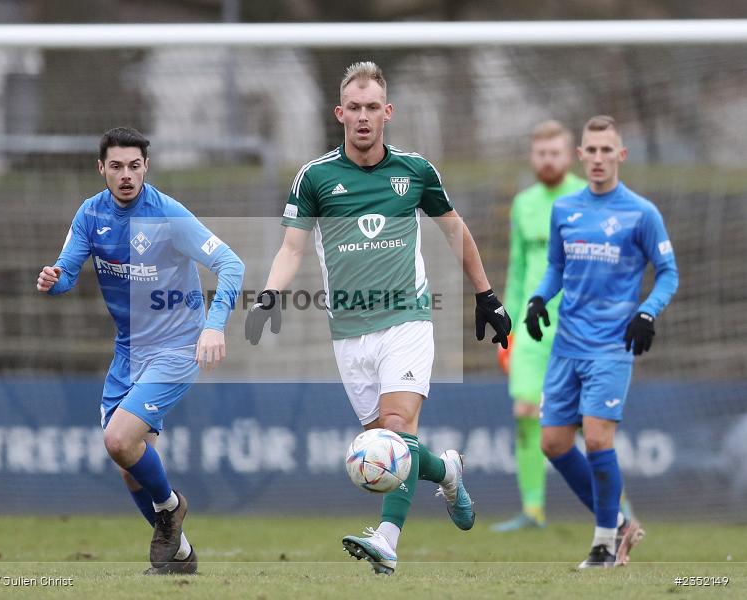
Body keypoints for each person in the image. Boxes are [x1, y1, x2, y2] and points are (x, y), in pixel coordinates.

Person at [244, 61, 511, 575]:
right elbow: (292, 248)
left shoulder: (416, 172)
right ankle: (446, 471)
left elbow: (455, 230)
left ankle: (387, 540)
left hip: (407, 318)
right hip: (348, 332)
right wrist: (270, 295)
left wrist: (486, 295)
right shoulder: (315, 177)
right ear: (339, 113)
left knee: (394, 429)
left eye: (372, 107)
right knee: (386, 450)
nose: (363, 117)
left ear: (387, 112)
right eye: (354, 108)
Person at [36, 127, 244, 575]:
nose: (126, 175)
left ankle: (170, 505)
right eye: (116, 166)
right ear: (101, 168)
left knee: (118, 439)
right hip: (129, 352)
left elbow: (231, 264)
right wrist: (54, 280)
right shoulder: (90, 214)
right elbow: (67, 273)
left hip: (178, 346)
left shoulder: (168, 215)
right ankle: (180, 557)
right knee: (129, 465)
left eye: (134, 166)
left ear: (146, 166)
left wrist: (213, 326)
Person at [525, 115, 678, 568]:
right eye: (590, 150)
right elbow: (557, 267)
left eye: (606, 150)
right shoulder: (564, 209)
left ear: (621, 155)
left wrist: (647, 312)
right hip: (566, 344)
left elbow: (668, 273)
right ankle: (623, 523)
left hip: (611, 346)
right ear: (580, 155)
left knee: (596, 440)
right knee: (553, 443)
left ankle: (604, 545)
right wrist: (538, 299)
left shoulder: (642, 213)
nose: (597, 158)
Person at [492, 120, 585, 532]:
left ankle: (618, 509)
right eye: (541, 153)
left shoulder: (587, 197)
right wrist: (507, 329)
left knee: (589, 426)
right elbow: (517, 270)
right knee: (526, 410)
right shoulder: (523, 204)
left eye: (555, 153)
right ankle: (533, 510)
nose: (547, 160)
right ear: (533, 156)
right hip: (531, 328)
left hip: (577, 326)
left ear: (570, 156)